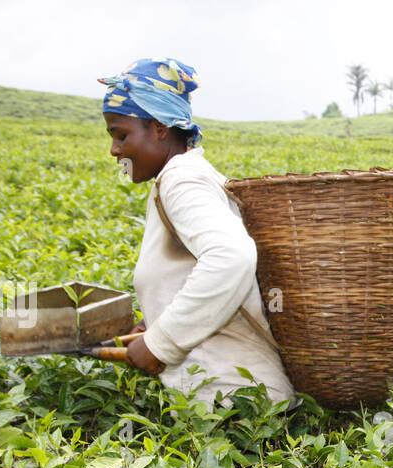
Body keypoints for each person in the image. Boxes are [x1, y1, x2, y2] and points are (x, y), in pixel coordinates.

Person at [100, 57, 294, 408]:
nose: (114, 149)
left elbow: (231, 256)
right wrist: (156, 321)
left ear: (160, 127)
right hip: (226, 401)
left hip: (233, 403)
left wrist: (163, 343)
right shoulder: (183, 177)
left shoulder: (182, 180)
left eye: (121, 135)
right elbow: (190, 272)